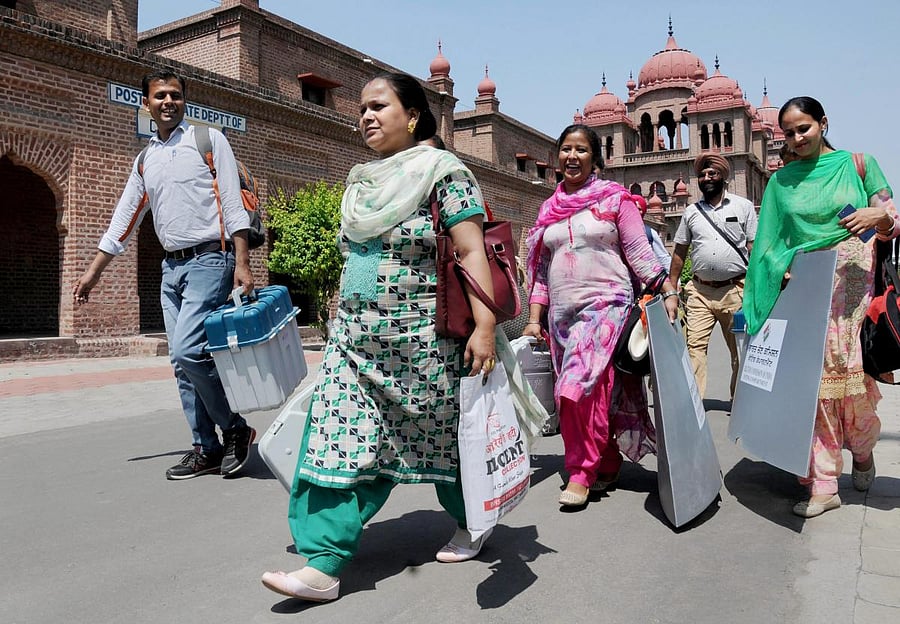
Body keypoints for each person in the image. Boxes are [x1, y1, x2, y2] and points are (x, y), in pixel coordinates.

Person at [261, 72, 503, 603]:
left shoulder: (445, 172)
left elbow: (470, 250)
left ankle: (475, 520)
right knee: (332, 441)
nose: (366, 116)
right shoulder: (362, 181)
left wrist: (484, 328)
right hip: (354, 346)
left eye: (379, 106)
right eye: (362, 109)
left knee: (446, 443)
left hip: (425, 347)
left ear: (412, 115)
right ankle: (323, 563)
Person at [72, 69, 256, 480]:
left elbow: (232, 203)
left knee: (190, 351)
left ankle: (235, 428)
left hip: (211, 260)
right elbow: (125, 218)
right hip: (171, 269)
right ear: (147, 104)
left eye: (175, 94)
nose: (168, 101)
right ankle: (205, 447)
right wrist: (93, 272)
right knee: (179, 362)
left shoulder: (208, 140)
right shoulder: (145, 159)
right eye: (160, 96)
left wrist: (242, 264)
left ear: (184, 100)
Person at [742, 96, 898, 518]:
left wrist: (875, 216)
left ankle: (863, 451)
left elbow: (893, 218)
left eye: (804, 128)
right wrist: (780, 269)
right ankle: (824, 482)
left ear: (823, 123)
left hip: (854, 287)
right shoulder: (780, 182)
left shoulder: (859, 164)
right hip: (805, 290)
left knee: (853, 385)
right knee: (814, 387)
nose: (797, 138)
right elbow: (769, 244)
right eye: (789, 132)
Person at [523, 124, 669, 508]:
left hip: (607, 305)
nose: (572, 157)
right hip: (561, 315)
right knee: (593, 390)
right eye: (566, 149)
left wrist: (667, 293)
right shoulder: (549, 209)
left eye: (581, 150)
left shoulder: (614, 200)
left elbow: (639, 251)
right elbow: (541, 270)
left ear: (595, 159)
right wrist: (534, 318)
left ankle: (580, 471)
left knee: (573, 388)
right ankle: (605, 460)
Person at [663, 153, 757, 398]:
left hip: (734, 290)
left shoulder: (743, 207)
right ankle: (696, 407)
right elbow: (679, 253)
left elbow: (753, 248)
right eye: (702, 175)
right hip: (699, 291)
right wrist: (671, 291)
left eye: (712, 173)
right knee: (694, 347)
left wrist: (758, 287)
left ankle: (739, 402)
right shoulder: (691, 212)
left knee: (738, 350)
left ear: (723, 176)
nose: (706, 178)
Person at [634, 194, 672, 269]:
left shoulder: (650, 233)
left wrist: (673, 279)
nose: (636, 211)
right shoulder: (617, 231)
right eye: (633, 208)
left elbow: (664, 259)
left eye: (639, 209)